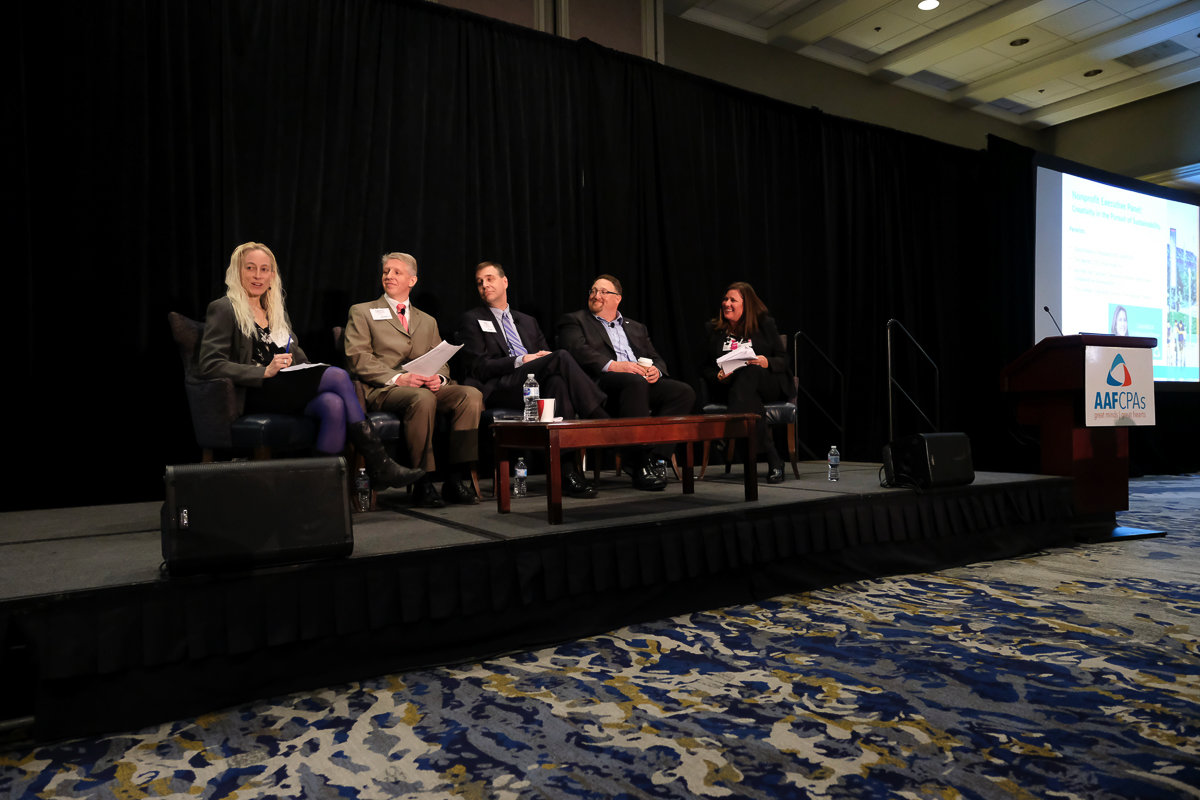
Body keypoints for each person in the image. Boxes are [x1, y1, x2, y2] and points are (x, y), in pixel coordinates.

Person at [199, 242, 423, 489]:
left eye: (264, 269)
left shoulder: (275, 310)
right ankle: (379, 463)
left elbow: (297, 356)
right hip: (256, 391)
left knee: (333, 404)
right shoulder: (224, 308)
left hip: (286, 388)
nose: (257, 276)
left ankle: (321, 490)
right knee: (338, 376)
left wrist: (310, 369)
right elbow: (209, 364)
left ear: (272, 275)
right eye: (250, 268)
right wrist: (263, 371)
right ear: (237, 271)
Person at [344, 252, 483, 508]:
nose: (389, 276)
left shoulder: (427, 321)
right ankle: (422, 480)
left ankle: (455, 477)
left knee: (470, 395)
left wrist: (439, 378)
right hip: (383, 389)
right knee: (422, 398)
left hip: (423, 386)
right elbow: (358, 358)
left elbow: (441, 360)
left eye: (396, 272)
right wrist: (398, 378)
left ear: (412, 280)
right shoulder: (363, 311)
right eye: (386, 271)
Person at [457, 261, 607, 498]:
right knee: (561, 358)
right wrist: (521, 360)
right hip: (502, 386)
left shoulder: (527, 321)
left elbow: (546, 356)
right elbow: (479, 367)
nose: (484, 285)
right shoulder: (472, 319)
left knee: (558, 382)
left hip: (534, 384)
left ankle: (566, 473)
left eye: (489, 279)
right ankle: (599, 415)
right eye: (479, 282)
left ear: (505, 282)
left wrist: (540, 358)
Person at [557, 274, 695, 490]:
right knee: (634, 382)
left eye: (603, 292)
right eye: (593, 290)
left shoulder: (636, 327)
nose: (596, 295)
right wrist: (614, 365)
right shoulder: (575, 320)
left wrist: (656, 371)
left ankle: (657, 459)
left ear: (617, 298)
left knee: (683, 392)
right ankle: (638, 462)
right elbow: (577, 350)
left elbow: (655, 357)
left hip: (638, 383)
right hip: (601, 386)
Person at [702, 282, 791, 484]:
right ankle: (774, 459)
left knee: (750, 370)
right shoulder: (714, 329)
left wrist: (766, 361)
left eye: (733, 300)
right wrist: (718, 376)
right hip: (733, 388)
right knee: (747, 396)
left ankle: (729, 434)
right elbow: (704, 368)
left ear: (746, 304)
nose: (727, 303)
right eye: (725, 299)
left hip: (768, 383)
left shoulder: (764, 324)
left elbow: (784, 359)